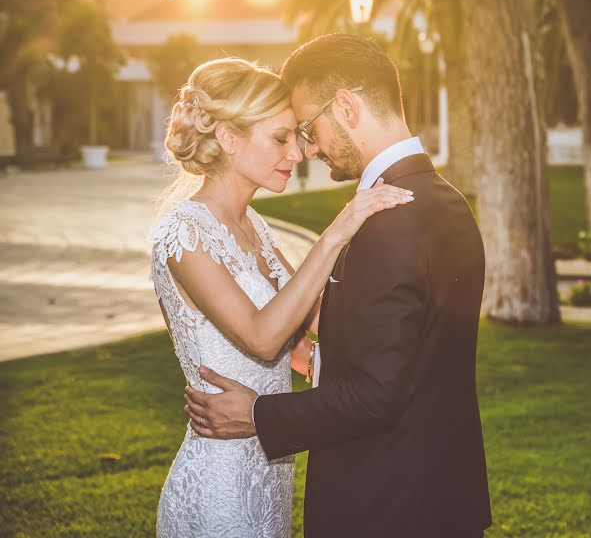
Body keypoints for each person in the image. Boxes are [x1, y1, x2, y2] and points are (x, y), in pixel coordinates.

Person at [184, 34, 493, 537]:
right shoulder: (443, 200)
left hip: (387, 508)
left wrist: (259, 415)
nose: (306, 149)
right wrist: (314, 354)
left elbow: (376, 395)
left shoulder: (389, 219)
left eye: (307, 128)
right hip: (439, 496)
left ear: (345, 107)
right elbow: (407, 349)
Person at [149, 57, 413, 537]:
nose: (297, 152)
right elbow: (264, 337)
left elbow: (315, 320)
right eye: (280, 138)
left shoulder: (257, 229)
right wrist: (336, 233)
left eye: (296, 136)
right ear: (228, 138)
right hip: (220, 482)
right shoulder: (183, 233)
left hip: (270, 465)